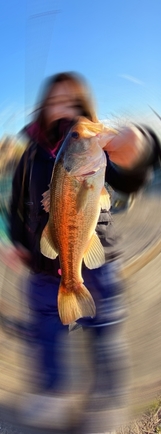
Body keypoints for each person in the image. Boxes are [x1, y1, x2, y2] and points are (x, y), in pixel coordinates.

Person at [6, 72, 161, 433]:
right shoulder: (29, 156)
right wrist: (16, 242)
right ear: (43, 108)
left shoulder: (97, 150)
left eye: (74, 104)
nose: (66, 113)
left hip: (98, 259)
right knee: (45, 331)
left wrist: (140, 146)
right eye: (56, 102)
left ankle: (106, 399)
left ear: (86, 109)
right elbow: (17, 205)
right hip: (42, 269)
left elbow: (130, 176)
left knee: (105, 326)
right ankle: (52, 393)